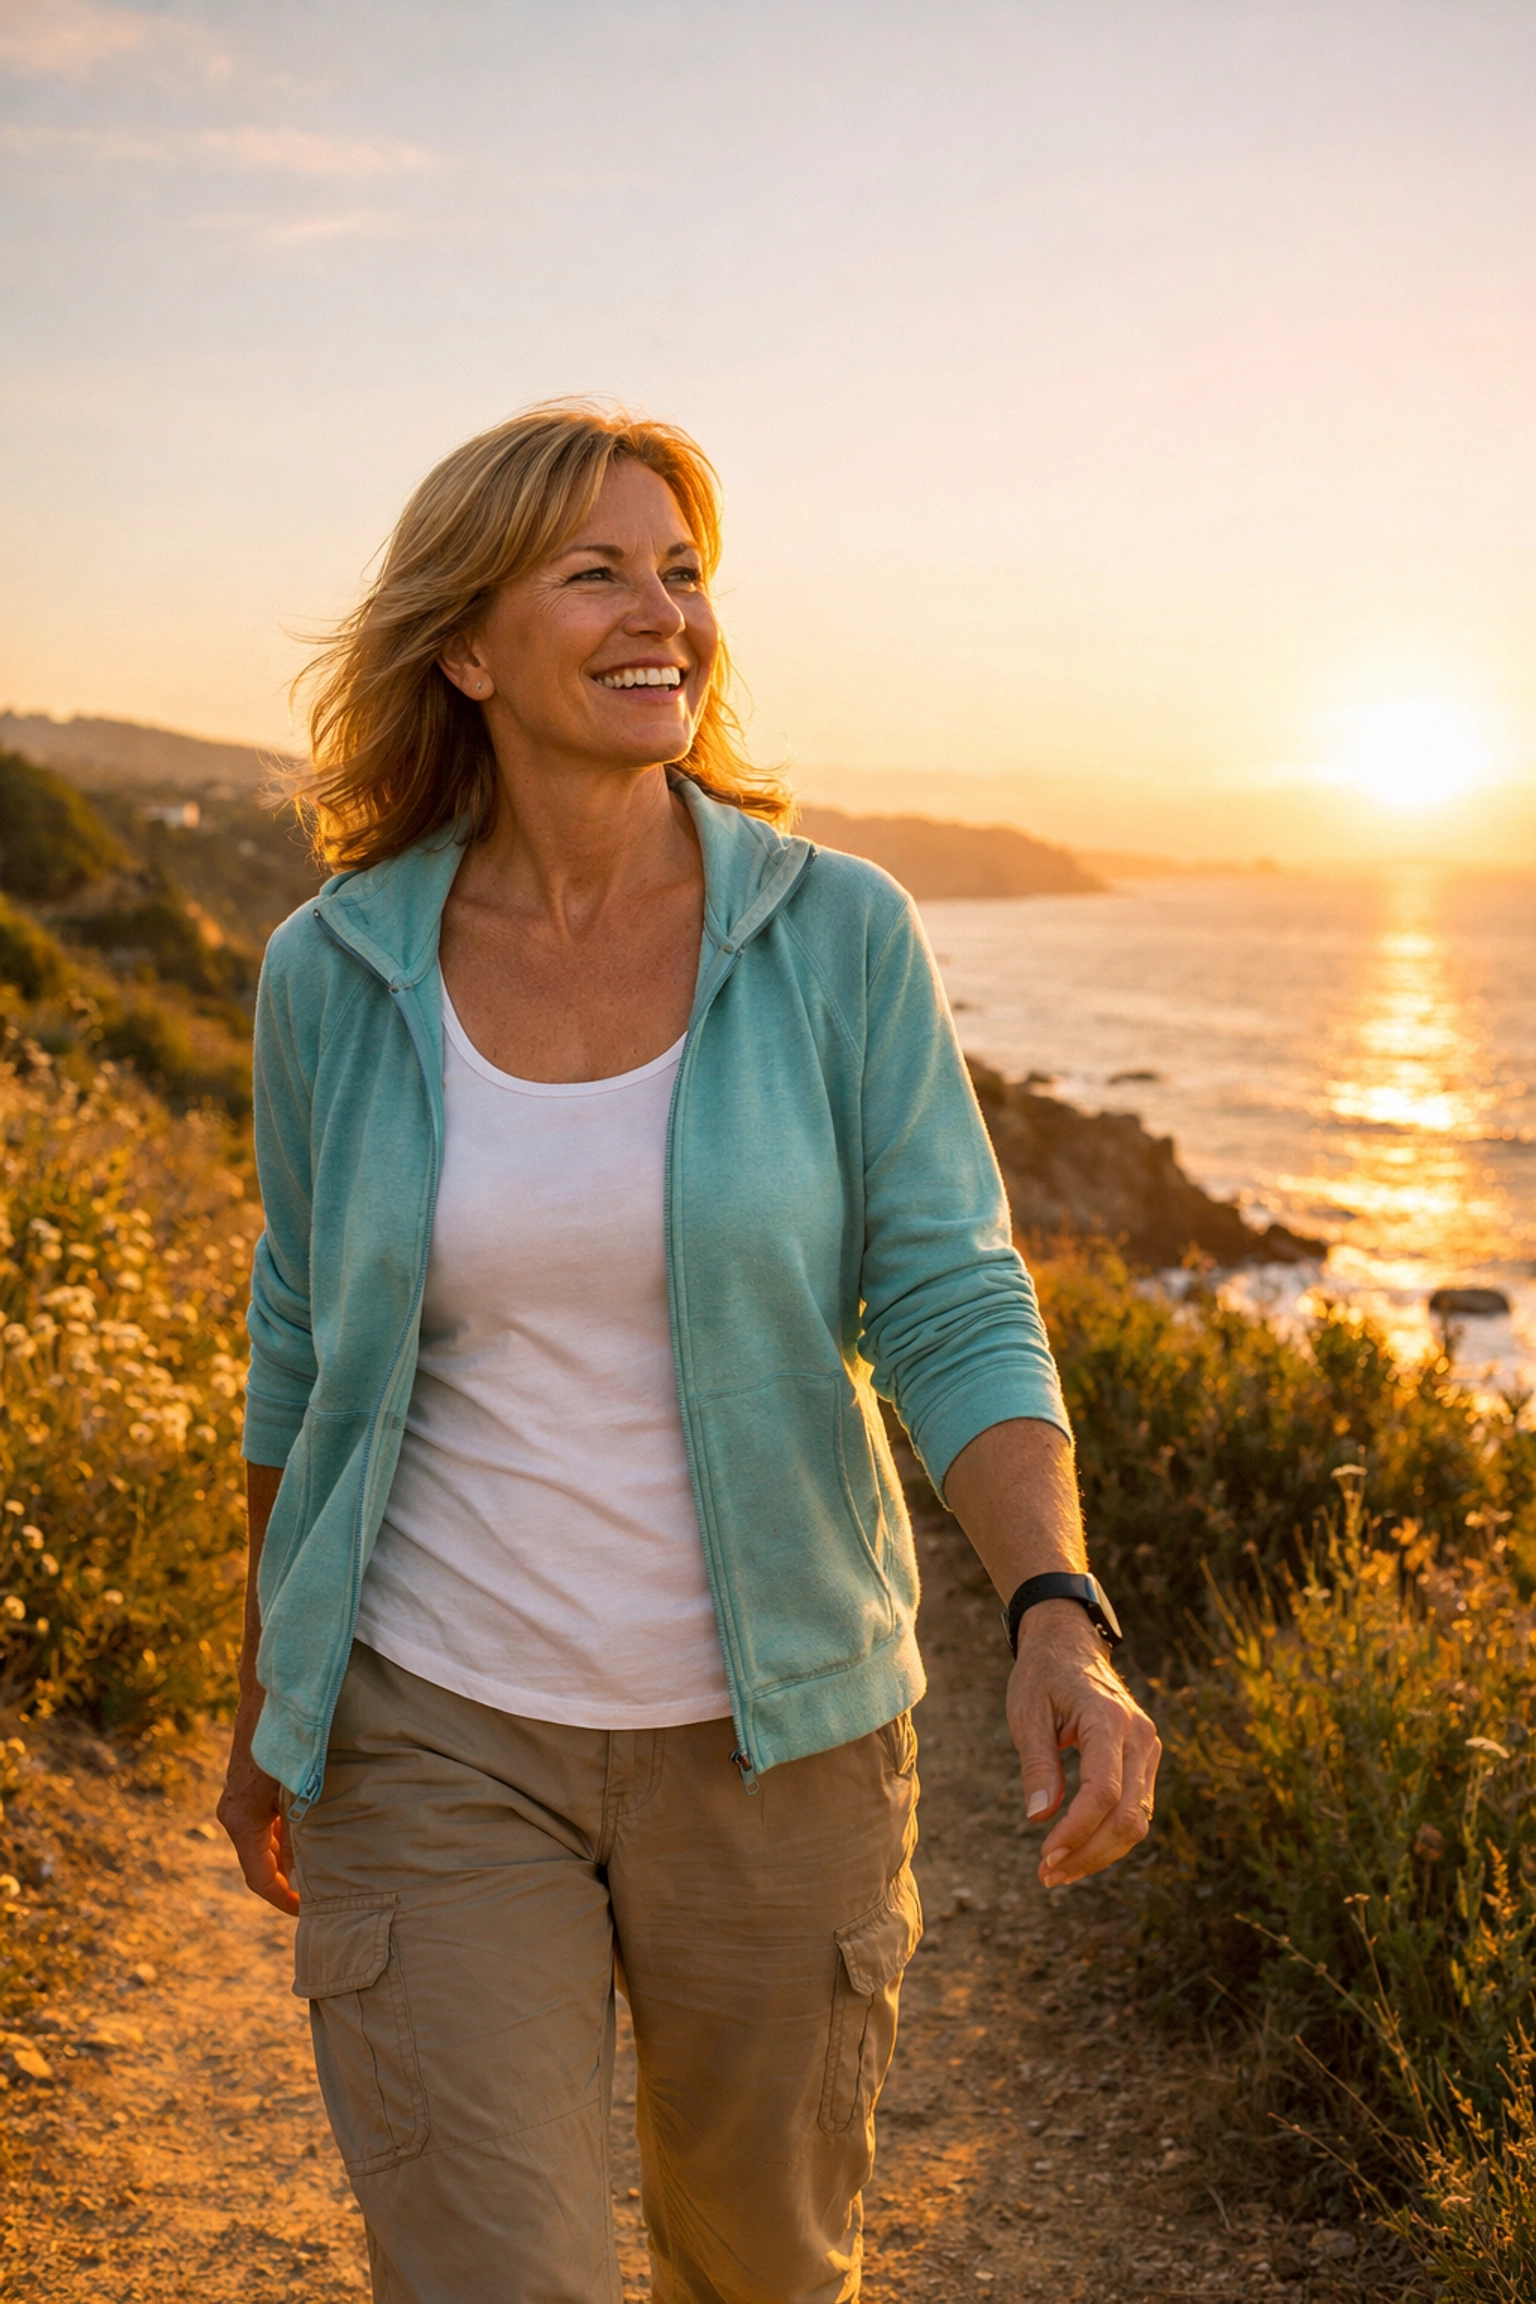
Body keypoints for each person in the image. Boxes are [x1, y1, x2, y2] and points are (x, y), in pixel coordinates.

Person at [217, 401, 1160, 2304]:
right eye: (598, 572)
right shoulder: (335, 970)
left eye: (685, 569)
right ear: (466, 647)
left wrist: (1055, 1607)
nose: (665, 613)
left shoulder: (838, 940)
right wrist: (269, 1686)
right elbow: (300, 1348)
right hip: (433, 1728)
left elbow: (955, 1297)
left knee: (763, 2273)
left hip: (783, 1739)